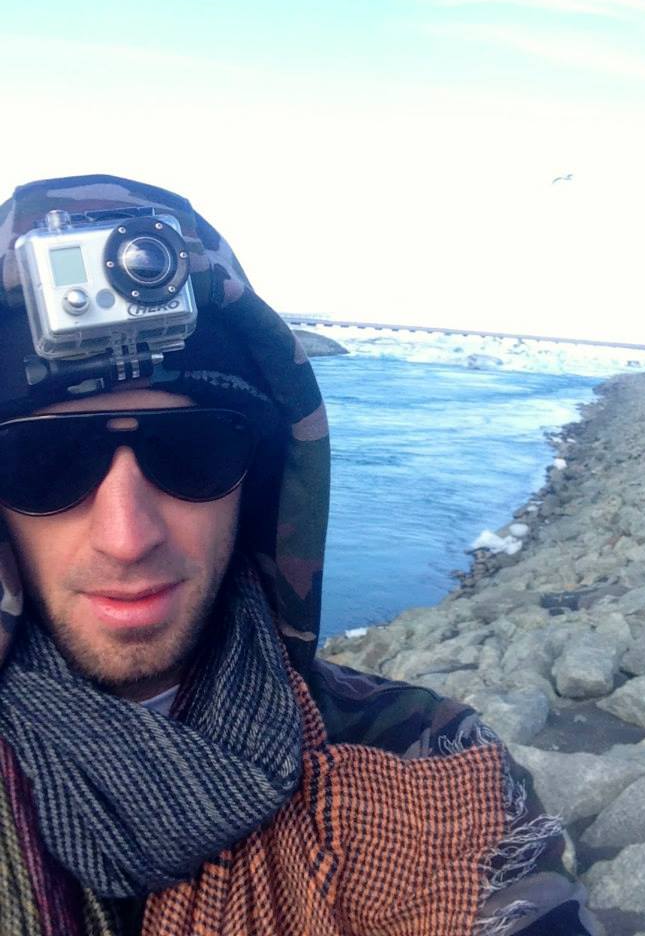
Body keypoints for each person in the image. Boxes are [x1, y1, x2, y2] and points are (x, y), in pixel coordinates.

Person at [0, 174, 599, 935]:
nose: (127, 535)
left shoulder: (428, 758)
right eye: (45, 462)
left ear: (260, 479)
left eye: (195, 452)